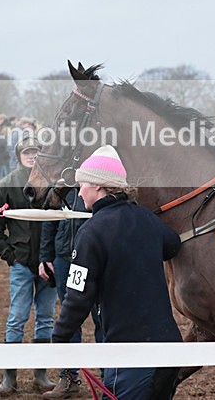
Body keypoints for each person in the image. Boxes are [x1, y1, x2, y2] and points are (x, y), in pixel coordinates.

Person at [51, 145, 181, 400]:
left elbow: (77, 296)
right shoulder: (146, 218)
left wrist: (59, 338)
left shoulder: (91, 232)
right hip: (170, 348)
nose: (79, 191)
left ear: (99, 186)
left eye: (82, 184)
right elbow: (172, 245)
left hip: (131, 353)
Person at [0, 136, 57, 396]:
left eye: (35, 151)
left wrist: (54, 255)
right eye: (26, 152)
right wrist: (9, 255)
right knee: (17, 317)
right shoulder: (6, 184)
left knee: (46, 318)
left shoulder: (51, 184)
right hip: (21, 263)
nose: (31, 155)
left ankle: (41, 375)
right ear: (18, 154)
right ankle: (9, 377)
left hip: (48, 263)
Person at [39, 188, 102, 399]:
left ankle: (110, 376)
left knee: (102, 317)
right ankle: (68, 377)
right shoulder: (62, 187)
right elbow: (50, 220)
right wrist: (46, 256)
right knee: (68, 319)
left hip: (96, 260)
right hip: (64, 259)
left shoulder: (98, 187)